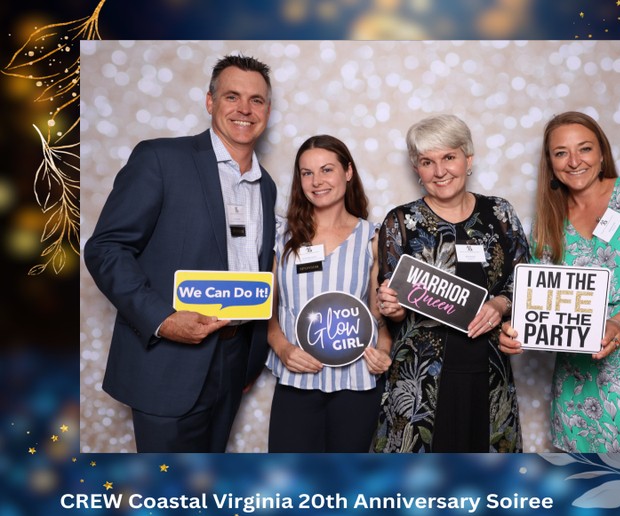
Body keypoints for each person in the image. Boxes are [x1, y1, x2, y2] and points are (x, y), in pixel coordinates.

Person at [83, 54, 277, 452]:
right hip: (168, 363)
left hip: (234, 360)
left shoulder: (267, 186)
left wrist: (250, 357)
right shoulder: (161, 159)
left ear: (268, 111)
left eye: (256, 100)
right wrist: (163, 319)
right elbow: (105, 248)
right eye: (232, 96)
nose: (244, 109)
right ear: (210, 102)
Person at [500, 111, 620, 453]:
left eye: (585, 149)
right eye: (561, 152)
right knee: (588, 481)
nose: (574, 161)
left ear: (602, 153)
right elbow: (542, 301)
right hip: (579, 376)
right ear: (550, 162)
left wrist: (618, 324)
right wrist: (516, 330)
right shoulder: (549, 222)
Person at [372, 114, 530, 453]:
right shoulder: (401, 222)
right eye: (427, 162)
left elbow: (525, 282)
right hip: (420, 383)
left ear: (468, 159)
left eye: (449, 157)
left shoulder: (499, 214)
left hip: (488, 375)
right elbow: (392, 307)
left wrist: (500, 305)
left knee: (486, 488)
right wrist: (391, 308)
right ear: (417, 168)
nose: (440, 171)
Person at [266, 135, 392, 452]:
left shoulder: (372, 237)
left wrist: (385, 352)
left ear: (348, 172)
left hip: (357, 382)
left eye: (326, 170)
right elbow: (267, 307)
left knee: (350, 487)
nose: (316, 181)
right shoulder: (282, 235)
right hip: (297, 380)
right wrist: (282, 348)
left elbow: (379, 317)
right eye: (306, 173)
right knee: (290, 487)